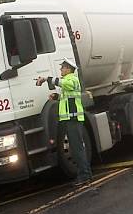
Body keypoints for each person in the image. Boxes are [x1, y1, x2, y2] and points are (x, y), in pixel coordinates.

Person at [36, 58, 92, 186]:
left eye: (62, 68)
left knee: (77, 149)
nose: (61, 70)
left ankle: (84, 175)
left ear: (68, 69)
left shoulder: (72, 79)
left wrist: (46, 79)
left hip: (73, 118)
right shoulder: (68, 80)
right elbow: (67, 96)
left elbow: (65, 84)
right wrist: (57, 97)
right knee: (76, 148)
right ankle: (86, 174)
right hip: (69, 119)